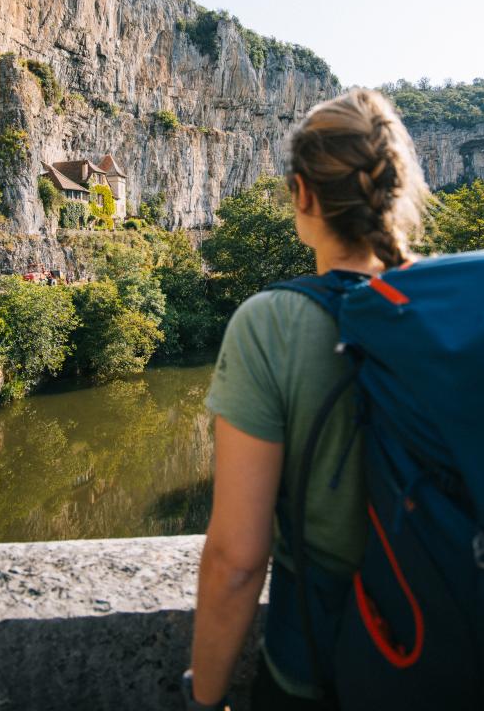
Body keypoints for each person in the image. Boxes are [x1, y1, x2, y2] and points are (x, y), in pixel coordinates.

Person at [185, 88, 429, 711]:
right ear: (397, 193)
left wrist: (204, 699)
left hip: (319, 664)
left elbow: (238, 561)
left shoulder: (271, 323)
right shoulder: (453, 316)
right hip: (454, 656)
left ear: (302, 194)